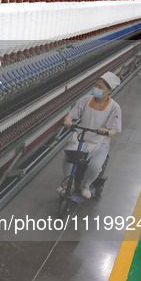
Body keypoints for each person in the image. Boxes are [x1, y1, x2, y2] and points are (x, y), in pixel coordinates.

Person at [59, 71, 122, 199]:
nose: (96, 89)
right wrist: (68, 119)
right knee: (67, 157)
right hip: (80, 137)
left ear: (109, 91)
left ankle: (85, 185)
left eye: (100, 87)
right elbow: (72, 114)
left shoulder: (114, 107)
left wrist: (107, 132)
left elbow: (114, 130)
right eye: (96, 85)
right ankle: (68, 184)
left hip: (100, 141)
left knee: (95, 166)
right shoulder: (85, 100)